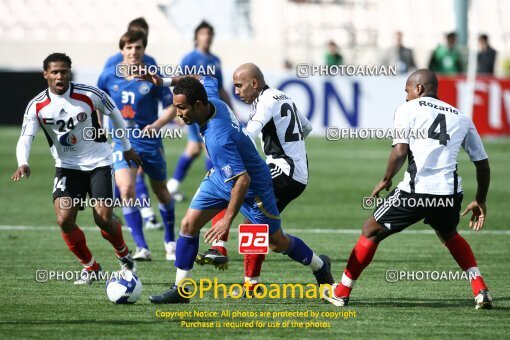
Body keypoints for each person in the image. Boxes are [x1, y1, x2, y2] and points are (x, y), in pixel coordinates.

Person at [142, 76, 333, 304]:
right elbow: (207, 77)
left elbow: (243, 181)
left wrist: (226, 221)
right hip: (222, 176)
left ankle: (320, 266)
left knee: (276, 242)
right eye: (176, 106)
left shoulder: (218, 138)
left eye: (182, 107)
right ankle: (181, 290)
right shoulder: (210, 97)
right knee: (188, 225)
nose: (178, 113)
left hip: (255, 188)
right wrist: (164, 81)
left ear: (199, 106)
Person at [324, 69, 493, 310]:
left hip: (416, 191)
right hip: (449, 193)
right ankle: (480, 289)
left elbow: (400, 151)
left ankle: (340, 292)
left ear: (418, 89)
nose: (405, 96)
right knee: (449, 234)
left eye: (407, 90)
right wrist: (480, 199)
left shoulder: (407, 109)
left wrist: (385, 179)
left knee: (370, 229)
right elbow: (482, 163)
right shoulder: (461, 117)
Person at [11, 53, 140, 284]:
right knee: (64, 220)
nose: (60, 76)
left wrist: (127, 147)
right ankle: (91, 267)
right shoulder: (37, 105)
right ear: (46, 75)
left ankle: (124, 255)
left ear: (70, 72)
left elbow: (115, 113)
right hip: (67, 167)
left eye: (64, 71)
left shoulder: (89, 94)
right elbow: (26, 137)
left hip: (99, 162)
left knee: (103, 218)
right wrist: (23, 162)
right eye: (55, 72)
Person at [195, 63, 314, 295]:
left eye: (239, 86)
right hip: (297, 172)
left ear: (254, 83)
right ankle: (313, 267)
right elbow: (306, 127)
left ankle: (219, 248)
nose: (237, 92)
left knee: (229, 185)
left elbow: (248, 135)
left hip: (283, 169)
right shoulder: (283, 96)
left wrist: (227, 145)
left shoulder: (264, 101)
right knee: (267, 233)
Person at [98, 30, 177, 262]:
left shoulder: (153, 76)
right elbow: (96, 103)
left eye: (138, 48)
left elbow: (172, 105)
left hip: (150, 143)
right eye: (129, 47)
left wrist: (159, 123)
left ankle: (170, 240)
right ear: (122, 50)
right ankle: (142, 247)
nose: (134, 52)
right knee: (126, 191)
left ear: (144, 50)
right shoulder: (108, 76)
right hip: (122, 143)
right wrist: (100, 127)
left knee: (161, 192)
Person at [103, 17, 162, 230]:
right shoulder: (112, 64)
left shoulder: (151, 62)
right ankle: (145, 213)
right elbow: (103, 95)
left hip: (145, 132)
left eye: (143, 36)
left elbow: (156, 91)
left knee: (139, 174)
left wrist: (159, 121)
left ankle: (129, 206)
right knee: (131, 175)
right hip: (121, 133)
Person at [166, 20, 232, 202]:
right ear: (196, 37)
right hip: (195, 110)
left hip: (211, 111)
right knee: (206, 148)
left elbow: (220, 88)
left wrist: (231, 109)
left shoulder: (215, 61)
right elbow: (180, 84)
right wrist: (179, 110)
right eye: (203, 33)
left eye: (210, 34)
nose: (207, 37)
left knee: (194, 148)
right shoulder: (190, 58)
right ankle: (217, 186)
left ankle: (172, 186)